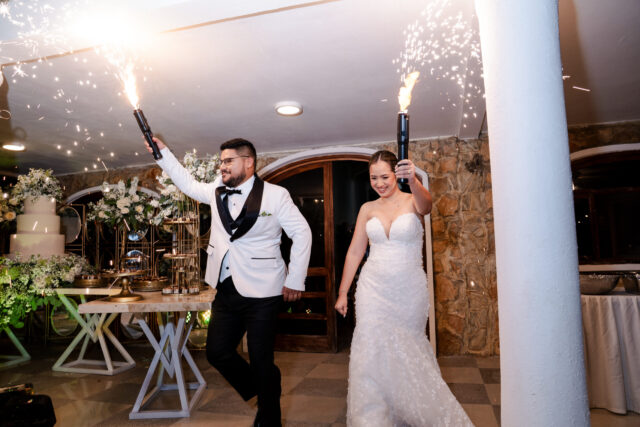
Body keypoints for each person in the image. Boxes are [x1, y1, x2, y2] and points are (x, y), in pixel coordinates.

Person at [145, 137, 312, 427]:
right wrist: (164, 154)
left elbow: (302, 233)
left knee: (260, 358)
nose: (222, 166)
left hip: (265, 291)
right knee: (217, 352)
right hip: (226, 287)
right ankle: (266, 388)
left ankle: (268, 418)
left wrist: (295, 279)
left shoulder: (276, 195)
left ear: (248, 162)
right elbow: (187, 184)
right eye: (221, 161)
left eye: (228, 161)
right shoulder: (215, 190)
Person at [335, 150, 473, 426]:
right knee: (370, 349)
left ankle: (413, 410)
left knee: (408, 348)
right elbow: (355, 252)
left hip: (408, 289)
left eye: (384, 177)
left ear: (396, 175)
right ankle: (372, 419)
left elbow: (427, 206)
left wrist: (414, 181)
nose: (379, 183)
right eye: (373, 178)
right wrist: (342, 293)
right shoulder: (367, 209)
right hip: (372, 288)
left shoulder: (413, 200)